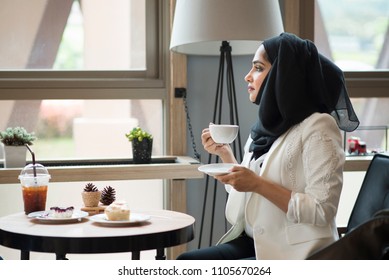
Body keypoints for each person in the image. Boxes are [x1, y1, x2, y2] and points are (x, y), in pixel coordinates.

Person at [177, 32, 359, 260]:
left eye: (258, 68)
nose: (247, 76)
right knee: (187, 262)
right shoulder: (266, 127)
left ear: (285, 75)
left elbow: (322, 210)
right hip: (256, 241)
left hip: (296, 253)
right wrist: (225, 155)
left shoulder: (319, 126)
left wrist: (257, 184)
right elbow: (249, 187)